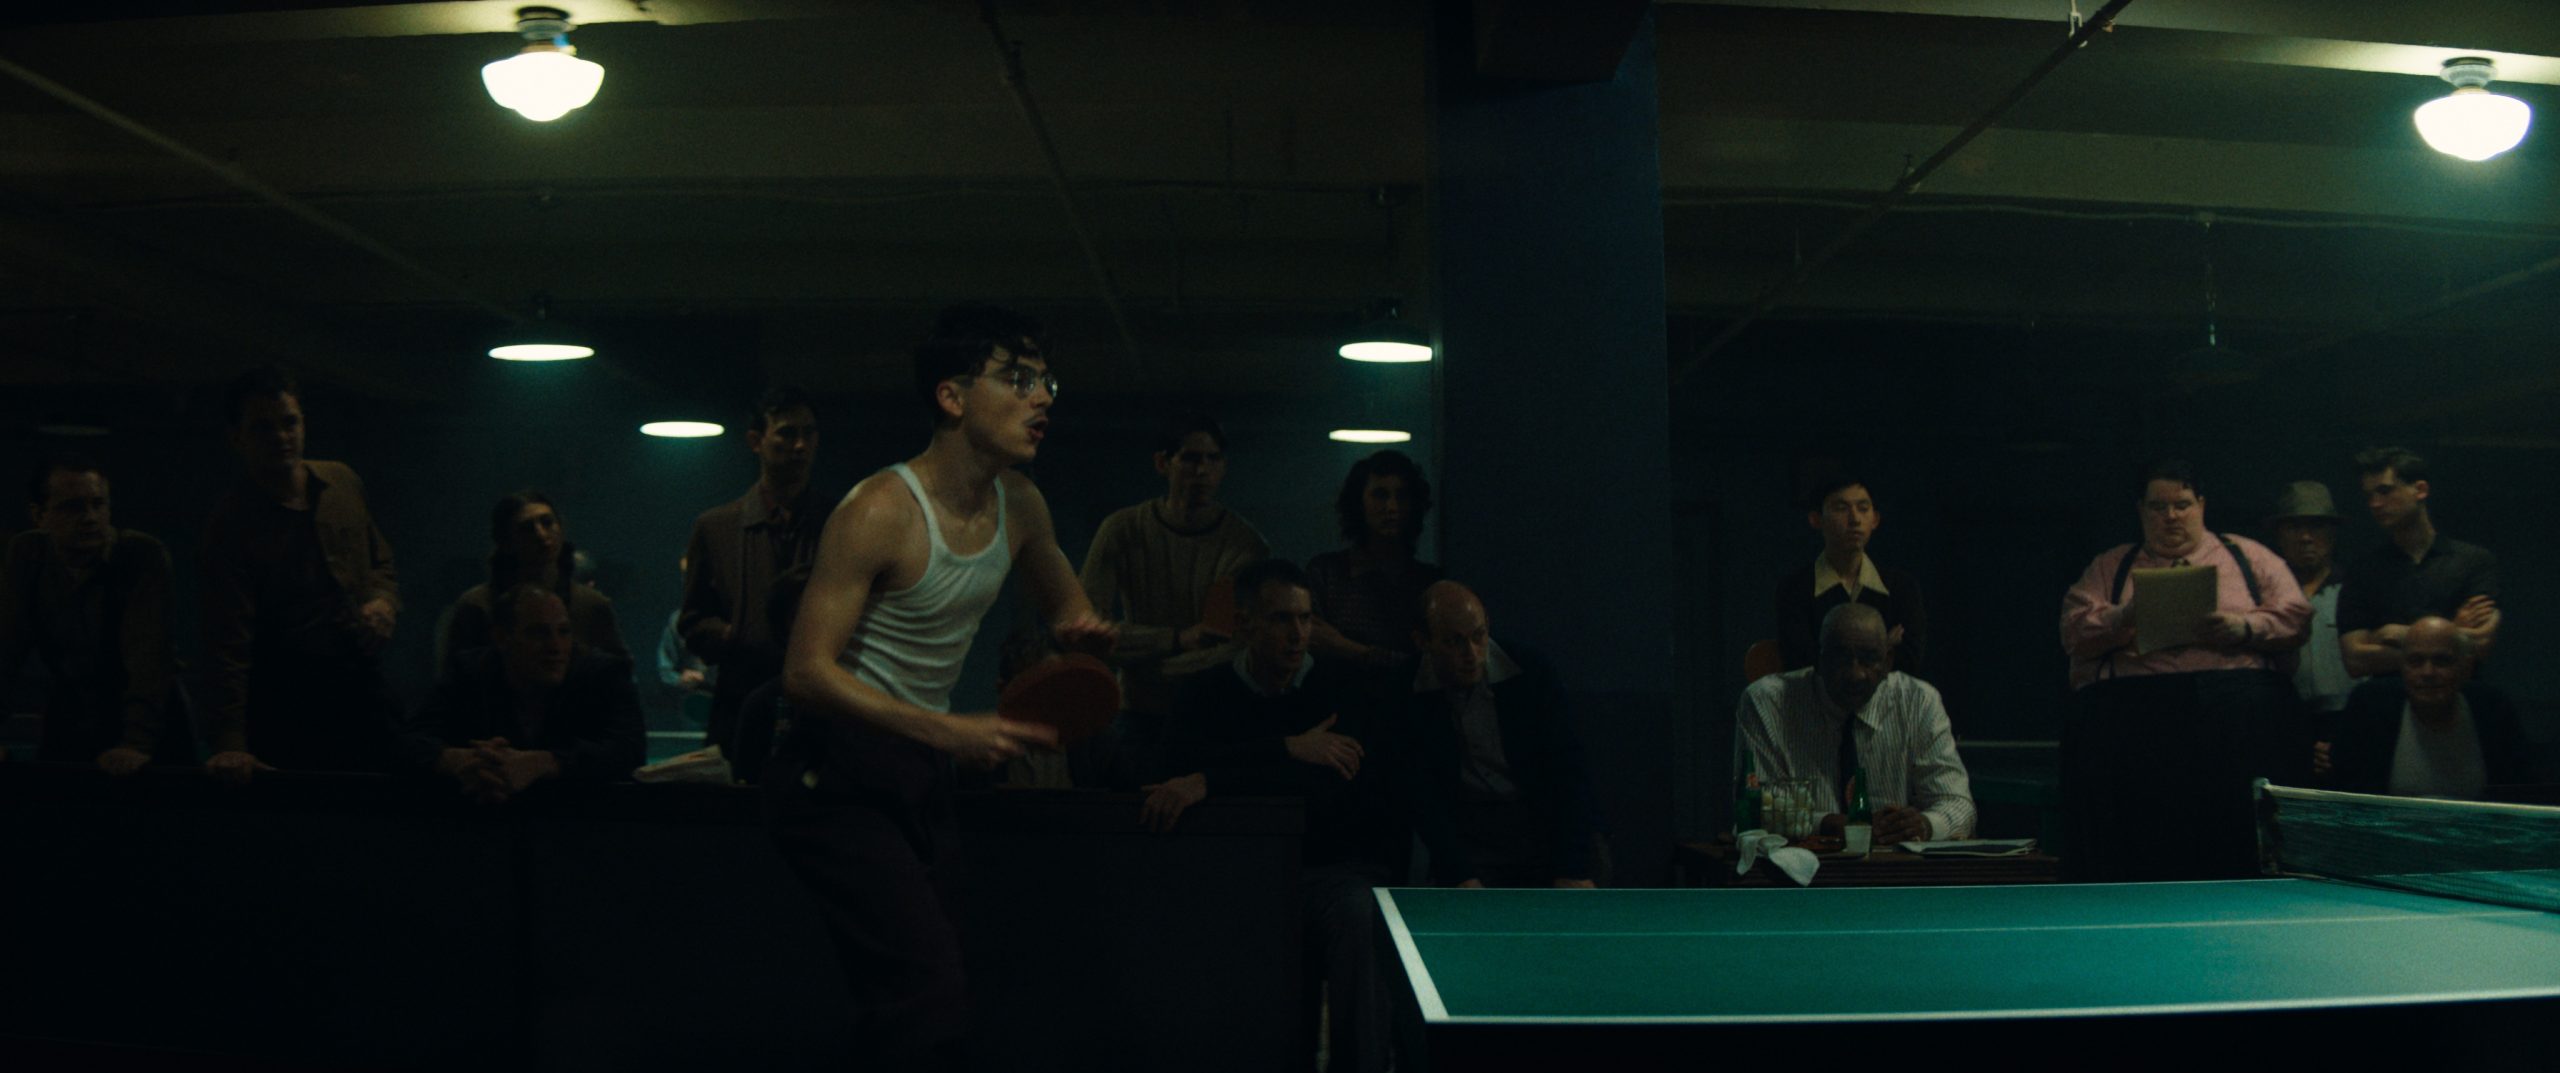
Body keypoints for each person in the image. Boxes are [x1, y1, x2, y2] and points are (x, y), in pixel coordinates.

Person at [771, 304, 1113, 1067]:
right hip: (834, 775)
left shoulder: (1022, 504)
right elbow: (805, 672)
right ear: (952, 396)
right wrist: (952, 730)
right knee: (926, 991)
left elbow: (1069, 611)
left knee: (942, 993)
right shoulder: (879, 509)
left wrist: (1088, 634)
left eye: (1046, 381)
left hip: (918, 769)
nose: (1042, 397)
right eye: (1017, 379)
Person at [1140, 557, 1398, 1073]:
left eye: (1305, 618)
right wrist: (1287, 749)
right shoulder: (1205, 693)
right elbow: (1173, 774)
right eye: (1281, 619)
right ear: (1245, 624)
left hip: (1329, 868)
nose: (1297, 634)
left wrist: (1217, 778)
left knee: (1358, 913)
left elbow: (1330, 794)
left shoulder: (1343, 690)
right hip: (1238, 871)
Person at [2058, 460, 2309, 880]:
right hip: (2134, 720)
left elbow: (2297, 619)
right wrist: (2125, 617)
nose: (2171, 516)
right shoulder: (2111, 567)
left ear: (2201, 506)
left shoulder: (2248, 556)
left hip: (2235, 714)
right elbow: (2072, 631)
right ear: (2141, 510)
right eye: (2158, 507)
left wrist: (2243, 627)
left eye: (2182, 505)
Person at [199, 366, 405, 781]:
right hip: (287, 695)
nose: (281, 436)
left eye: (289, 423)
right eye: (263, 428)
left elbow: (380, 561)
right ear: (237, 438)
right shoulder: (231, 525)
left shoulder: (340, 483)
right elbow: (228, 642)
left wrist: (382, 602)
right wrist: (231, 741)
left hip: (359, 680)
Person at [1077, 411, 1270, 784]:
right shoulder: (1123, 530)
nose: (1202, 470)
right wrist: (1177, 639)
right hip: (1138, 715)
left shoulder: (1245, 546)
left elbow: (1243, 645)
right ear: (1163, 463)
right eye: (1191, 458)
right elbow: (1088, 631)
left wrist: (1147, 663)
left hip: (1211, 717)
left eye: (1213, 459)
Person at [1399, 580, 1603, 888]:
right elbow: (1421, 793)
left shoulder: (1530, 672)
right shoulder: (1407, 689)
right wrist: (1459, 873)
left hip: (1542, 821)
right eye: (1454, 642)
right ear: (1422, 641)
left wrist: (1572, 867)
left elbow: (1568, 771)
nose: (1471, 653)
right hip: (1471, 832)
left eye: (1478, 636)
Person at [0, 459, 182, 772]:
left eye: (98, 504)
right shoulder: (28, 554)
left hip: (149, 716)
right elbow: (6, 648)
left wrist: (136, 743)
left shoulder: (139, 555)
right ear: (39, 515)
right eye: (72, 507)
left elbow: (149, 658)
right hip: (72, 708)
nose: (89, 518)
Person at [1739, 603, 1974, 844]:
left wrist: (1924, 825)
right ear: (1819, 658)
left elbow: (1959, 805)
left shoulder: (1918, 702)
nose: (1856, 674)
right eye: (1841, 658)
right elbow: (1755, 809)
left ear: (1888, 661)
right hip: (1800, 863)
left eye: (1869, 659)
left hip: (1893, 863)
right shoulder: (1768, 702)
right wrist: (1830, 825)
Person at [681, 385, 827, 763]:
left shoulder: (841, 521)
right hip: (742, 701)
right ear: (756, 441)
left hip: (823, 706)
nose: (800, 446)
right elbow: (693, 621)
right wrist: (735, 634)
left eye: (808, 433)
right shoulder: (717, 528)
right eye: (787, 433)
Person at [403, 584, 645, 804]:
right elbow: (408, 742)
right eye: (538, 633)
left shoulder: (602, 675)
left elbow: (630, 749)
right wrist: (462, 761)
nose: (555, 646)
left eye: (564, 632)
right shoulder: (469, 672)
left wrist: (543, 763)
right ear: (501, 638)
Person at [2315, 617, 2528, 799]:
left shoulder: (2492, 710)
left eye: (2441, 661)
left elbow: (2518, 794)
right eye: (2415, 661)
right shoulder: (2371, 708)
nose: (2428, 672)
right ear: (2402, 667)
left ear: (2466, 667)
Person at [2337, 447, 2501, 678]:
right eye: (2369, 495)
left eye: (2385, 491)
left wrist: (2393, 634)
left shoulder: (2474, 561)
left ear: (2420, 490)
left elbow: (2481, 644)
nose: (2375, 503)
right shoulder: (2363, 571)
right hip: (2388, 697)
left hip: (2460, 694)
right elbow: (2355, 660)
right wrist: (2453, 632)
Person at [433, 491, 626, 682]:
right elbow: (456, 679)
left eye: (547, 522)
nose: (541, 534)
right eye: (527, 528)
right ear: (506, 541)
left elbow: (619, 676)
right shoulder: (478, 605)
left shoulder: (591, 604)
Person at [1773, 474, 1928, 675]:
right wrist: (1882, 648)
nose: (1855, 519)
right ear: (1816, 519)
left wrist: (1835, 655)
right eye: (1841, 508)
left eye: (1863, 508)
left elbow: (1909, 662)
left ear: (1875, 519)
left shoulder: (1901, 587)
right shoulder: (1795, 588)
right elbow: (1800, 663)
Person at [1306, 449, 1443, 668]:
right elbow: (1314, 643)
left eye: (1401, 496)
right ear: (1359, 502)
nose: (1391, 507)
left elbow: (1432, 665)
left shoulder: (1429, 584)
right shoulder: (1326, 574)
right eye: (1380, 495)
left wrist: (1348, 649)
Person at [2266, 480, 2360, 716]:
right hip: (2284, 719)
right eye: (2294, 527)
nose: (2305, 537)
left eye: (2316, 526)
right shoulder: (2264, 596)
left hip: (2350, 717)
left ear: (2333, 533)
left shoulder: (2356, 591)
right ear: (2279, 535)